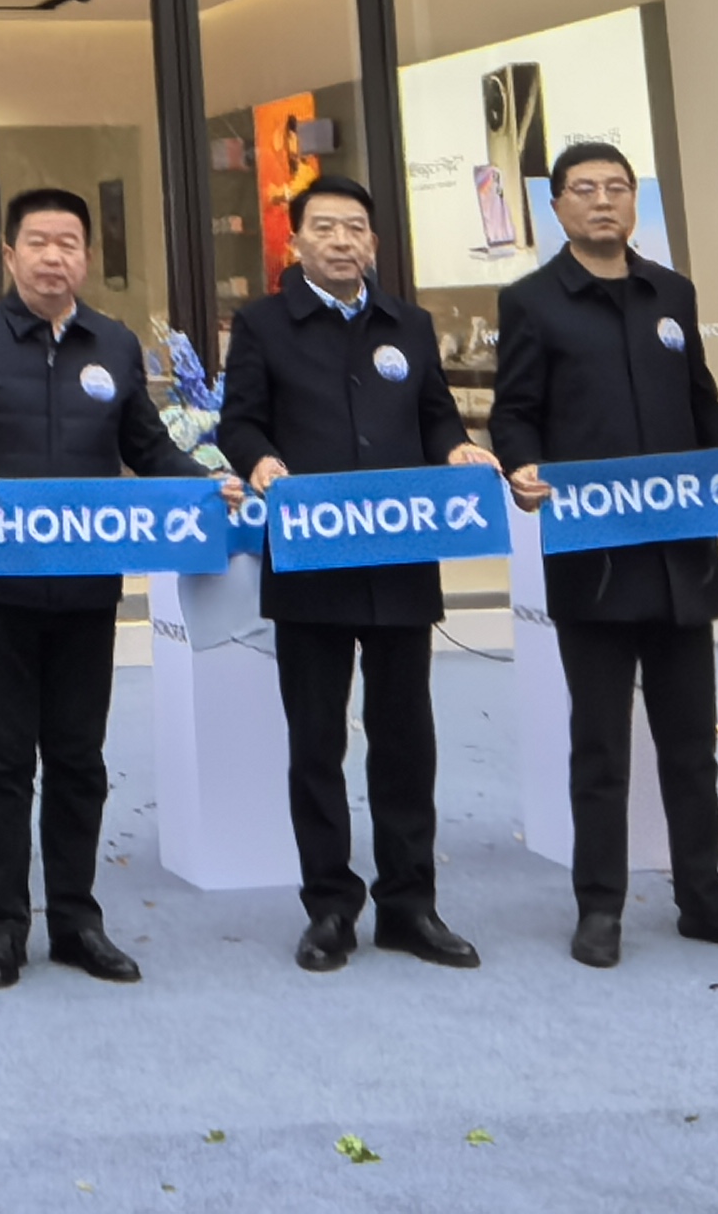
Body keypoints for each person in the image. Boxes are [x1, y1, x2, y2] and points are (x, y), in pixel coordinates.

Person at [490, 141, 718, 972]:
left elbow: (701, 401)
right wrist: (522, 466)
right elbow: (514, 412)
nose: (603, 201)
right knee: (600, 745)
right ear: (558, 206)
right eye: (585, 189)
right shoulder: (531, 302)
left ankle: (704, 901)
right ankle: (600, 906)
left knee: (691, 744)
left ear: (635, 201)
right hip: (593, 557)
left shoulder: (672, 293)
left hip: (680, 559)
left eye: (617, 188)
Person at [0, 186, 216, 989]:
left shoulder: (113, 344)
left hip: (87, 589)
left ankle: (78, 920)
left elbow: (148, 448)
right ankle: (4, 927)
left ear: (86, 256)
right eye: (38, 243)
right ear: (9, 254)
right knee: (5, 761)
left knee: (80, 758)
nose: (53, 257)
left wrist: (204, 485)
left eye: (69, 243)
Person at [214, 170, 498, 973]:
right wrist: (260, 460)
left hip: (400, 557)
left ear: (373, 242)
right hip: (311, 558)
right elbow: (240, 421)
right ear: (296, 240)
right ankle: (331, 907)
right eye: (325, 228)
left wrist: (457, 448)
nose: (341, 242)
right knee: (317, 741)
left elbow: (435, 414)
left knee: (406, 739)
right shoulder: (264, 324)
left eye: (354, 229)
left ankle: (410, 904)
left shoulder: (409, 323)